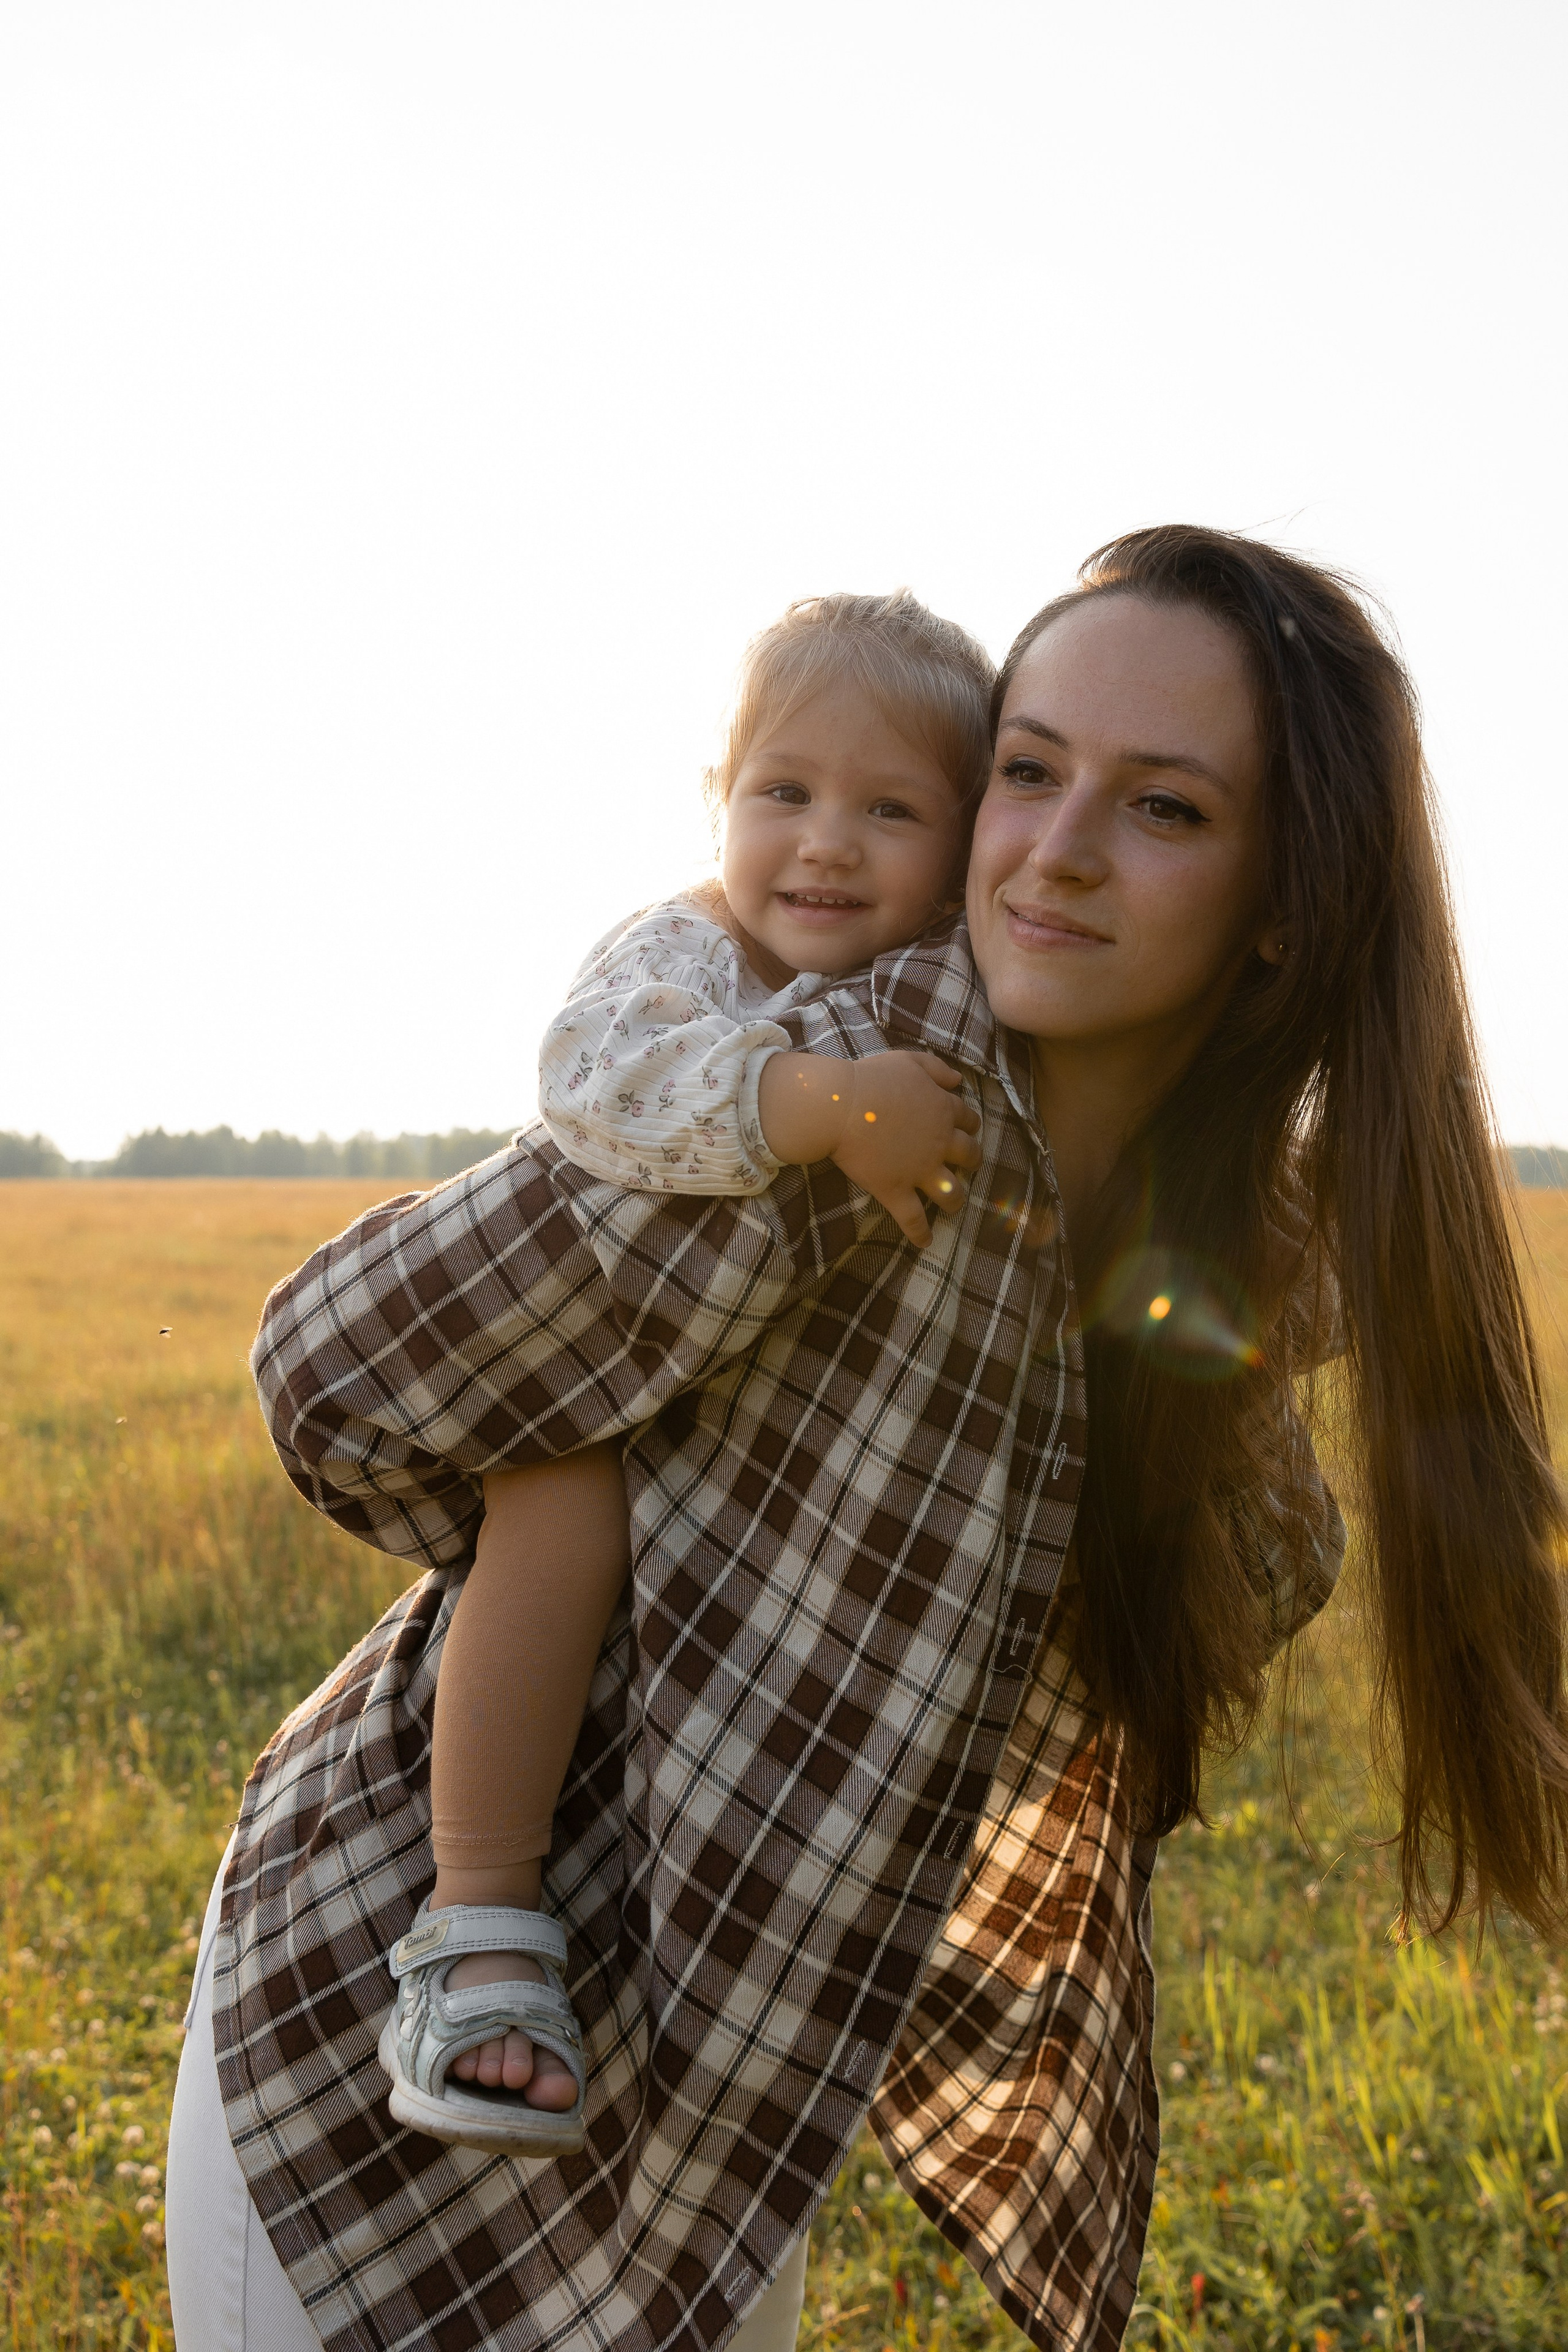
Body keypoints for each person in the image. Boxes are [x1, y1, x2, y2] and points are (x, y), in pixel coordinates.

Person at [165, 527, 1567, 2352]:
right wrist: (566, 1481)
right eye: (1031, 773)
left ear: (1288, 902)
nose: (1055, 849)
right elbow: (333, 1376)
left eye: (1164, 810)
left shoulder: (1206, 1251)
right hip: (392, 2014)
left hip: (718, 2102)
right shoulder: (838, 1100)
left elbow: (1169, 1628)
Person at [405, 592, 989, 2149]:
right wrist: (822, 1106)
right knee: (558, 1514)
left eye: (889, 810)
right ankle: (475, 1923)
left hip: (752, 1436)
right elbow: (592, 1080)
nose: (823, 844)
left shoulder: (946, 987)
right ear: (717, 801)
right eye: (781, 794)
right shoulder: (685, 943)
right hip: (586, 1374)